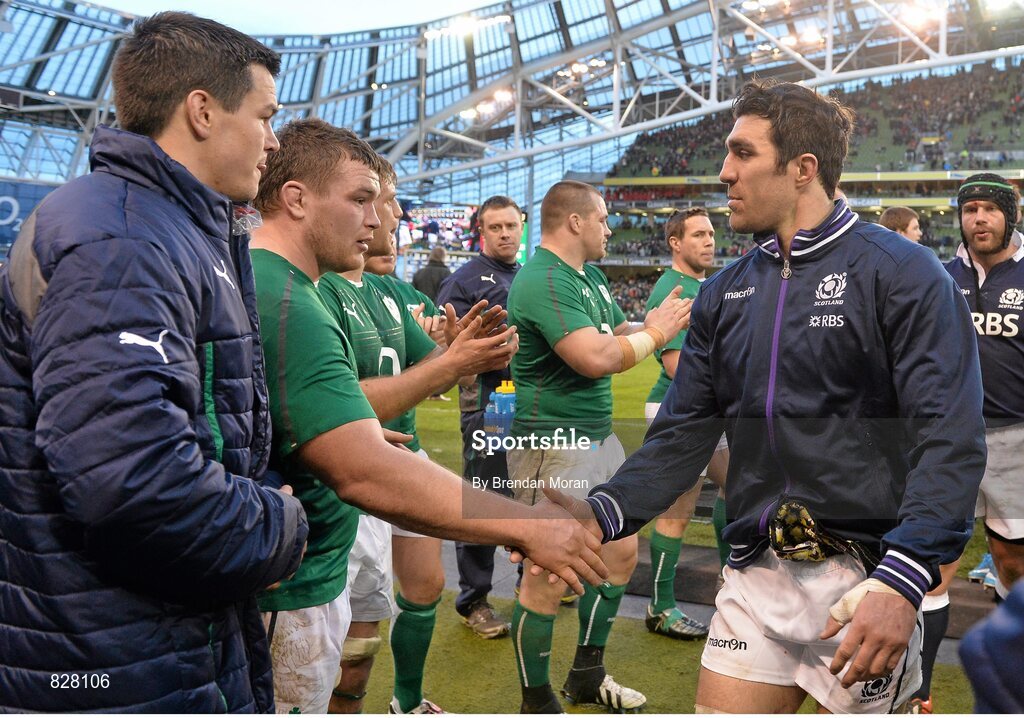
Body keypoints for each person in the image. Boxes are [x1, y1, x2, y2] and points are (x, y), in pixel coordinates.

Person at [560, 80, 986, 714]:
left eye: (742, 153)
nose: (724, 171)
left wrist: (906, 578)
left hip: (868, 576)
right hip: (756, 570)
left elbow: (948, 437)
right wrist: (601, 513)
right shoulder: (725, 292)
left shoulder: (903, 274)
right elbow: (682, 434)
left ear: (802, 169)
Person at [0, 13, 309, 712]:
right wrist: (278, 529)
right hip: (111, 663)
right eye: (265, 115)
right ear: (202, 110)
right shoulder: (124, 236)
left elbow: (196, 428)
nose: (274, 138)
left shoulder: (168, 226)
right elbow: (131, 482)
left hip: (148, 644)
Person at [249, 119, 608, 714]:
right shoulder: (283, 293)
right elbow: (360, 467)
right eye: (363, 199)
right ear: (296, 199)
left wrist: (439, 367)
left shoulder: (302, 287)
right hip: (291, 571)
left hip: (312, 547)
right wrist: (529, 526)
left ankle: (401, 698)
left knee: (373, 628)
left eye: (379, 201)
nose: (378, 217)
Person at [319, 154, 512, 715]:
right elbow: (336, 398)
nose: (396, 216)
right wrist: (451, 363)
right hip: (350, 464)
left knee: (420, 588)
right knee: (340, 626)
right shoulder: (320, 287)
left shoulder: (396, 294)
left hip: (403, 454)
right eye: (382, 200)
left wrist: (473, 349)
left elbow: (446, 374)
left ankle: (405, 700)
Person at [505, 179, 691, 713]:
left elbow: (617, 329)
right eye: (605, 219)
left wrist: (672, 325)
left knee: (620, 552)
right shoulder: (541, 277)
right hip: (554, 444)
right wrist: (656, 335)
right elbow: (596, 357)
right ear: (576, 222)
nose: (611, 229)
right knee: (548, 573)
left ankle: (587, 673)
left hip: (596, 437)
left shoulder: (585, 276)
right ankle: (535, 699)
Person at [436, 194, 523, 639]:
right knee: (484, 494)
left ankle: (533, 580)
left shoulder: (528, 277)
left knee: (529, 491)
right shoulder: (465, 280)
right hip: (493, 398)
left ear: (522, 225)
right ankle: (474, 600)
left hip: (528, 398)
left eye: (511, 225)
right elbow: (444, 348)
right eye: (496, 227)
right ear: (482, 233)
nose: (505, 233)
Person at [642, 207, 727, 641]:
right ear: (676, 243)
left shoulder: (703, 285)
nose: (709, 241)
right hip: (678, 410)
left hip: (706, 409)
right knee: (677, 513)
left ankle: (731, 589)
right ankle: (660, 606)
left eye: (711, 233)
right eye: (698, 234)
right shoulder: (674, 289)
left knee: (740, 486)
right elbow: (676, 365)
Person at [944, 174, 1024, 603]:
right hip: (951, 435)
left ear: (1010, 215)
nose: (979, 219)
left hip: (1017, 438)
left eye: (991, 209)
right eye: (970, 210)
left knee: (1010, 557)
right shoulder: (939, 277)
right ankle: (915, 661)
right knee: (932, 550)